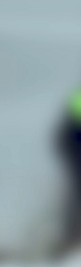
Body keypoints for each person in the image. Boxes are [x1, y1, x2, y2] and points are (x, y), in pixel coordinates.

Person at [57, 89, 81, 248]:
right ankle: (72, 233)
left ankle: (71, 233)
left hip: (71, 144)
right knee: (76, 192)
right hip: (74, 147)